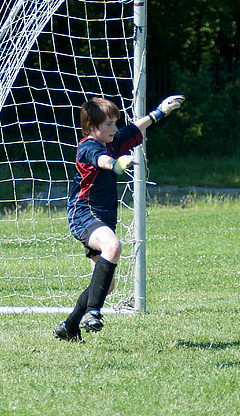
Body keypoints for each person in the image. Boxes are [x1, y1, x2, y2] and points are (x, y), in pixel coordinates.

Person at [54, 94, 185, 341]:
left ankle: (69, 328)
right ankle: (92, 313)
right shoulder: (88, 146)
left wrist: (159, 112)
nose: (115, 128)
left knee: (106, 286)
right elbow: (100, 160)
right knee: (113, 246)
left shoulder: (112, 140)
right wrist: (115, 164)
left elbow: (133, 128)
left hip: (104, 217)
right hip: (84, 213)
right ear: (92, 127)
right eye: (109, 124)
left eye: (115, 122)